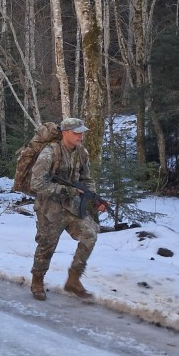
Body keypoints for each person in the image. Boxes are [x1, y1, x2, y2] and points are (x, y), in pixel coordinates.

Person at [29, 118, 107, 301]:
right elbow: (36, 184)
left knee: (90, 233)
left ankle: (74, 279)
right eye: (77, 133)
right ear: (65, 133)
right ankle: (37, 281)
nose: (81, 136)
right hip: (49, 208)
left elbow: (86, 178)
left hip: (72, 207)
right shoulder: (49, 153)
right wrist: (67, 190)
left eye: (82, 132)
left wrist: (93, 196)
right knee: (46, 245)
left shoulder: (82, 153)